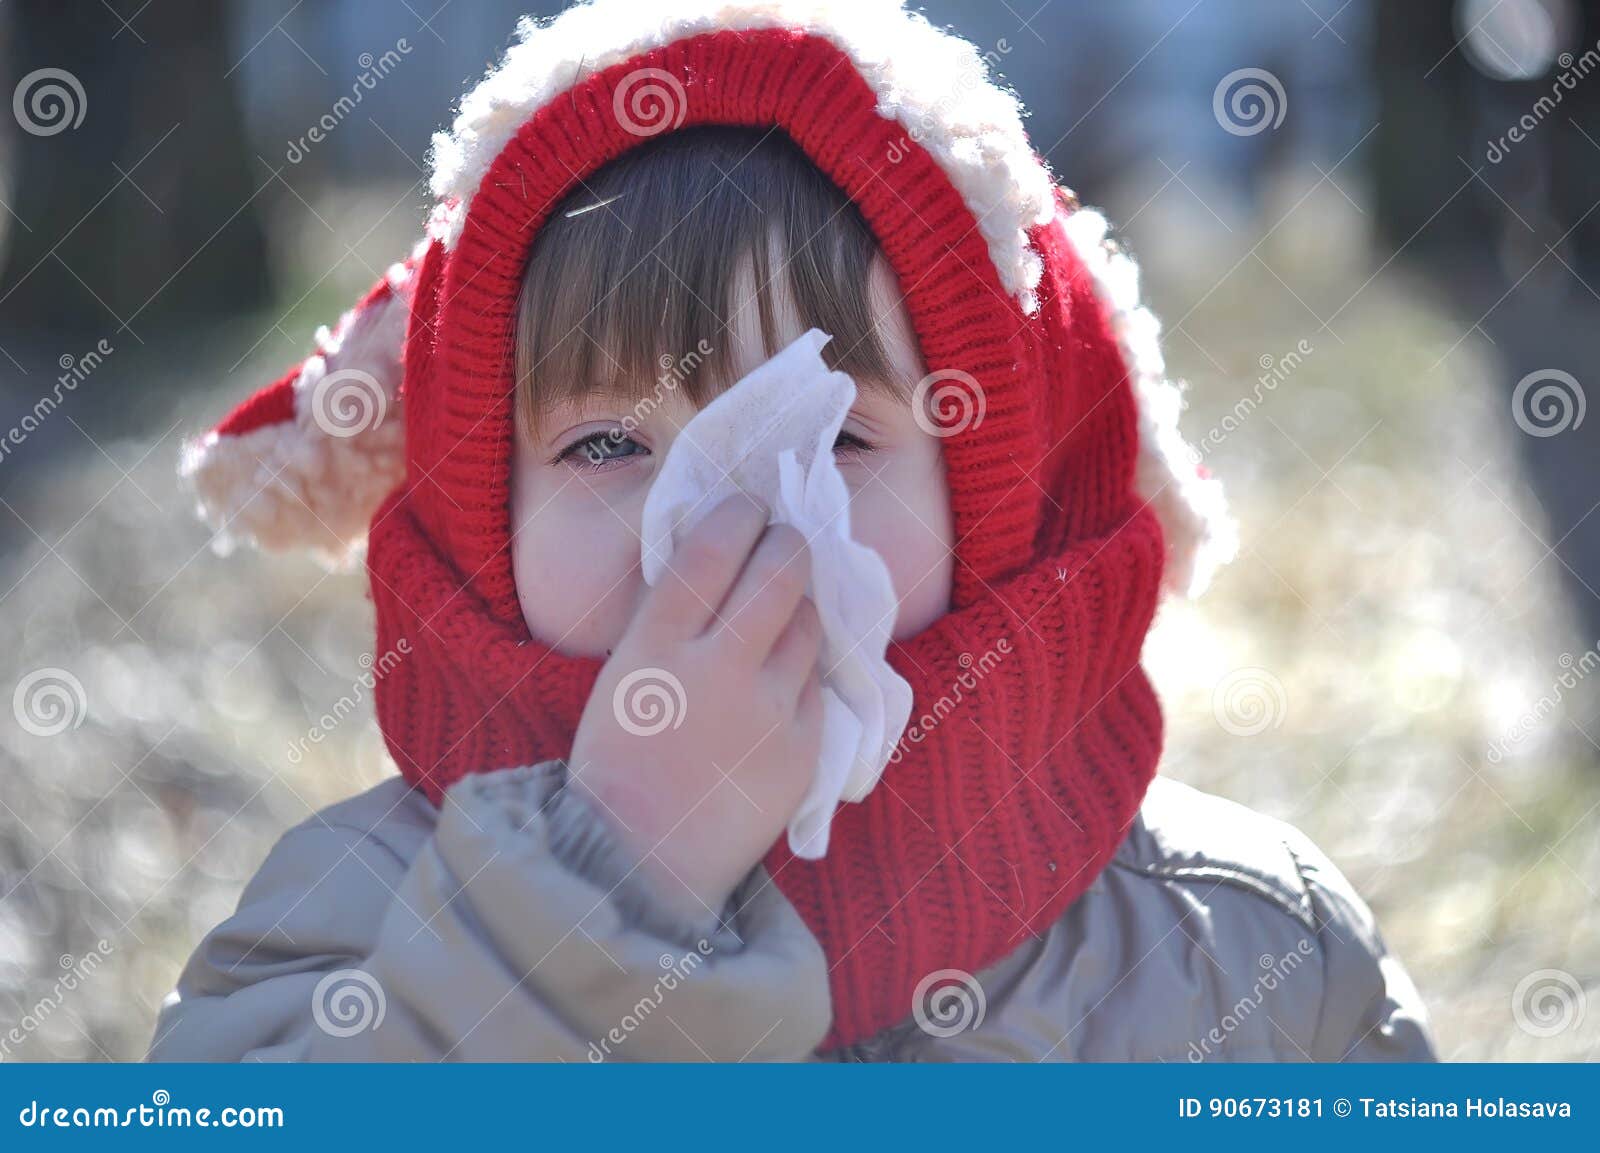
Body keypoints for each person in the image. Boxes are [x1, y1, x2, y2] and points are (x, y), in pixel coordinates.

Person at [155, 0, 1433, 1061]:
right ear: (476, 517)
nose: (719, 516)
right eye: (607, 444)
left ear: (1006, 501)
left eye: (833, 437)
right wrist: (604, 886)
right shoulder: (344, 934)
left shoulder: (1245, 955)